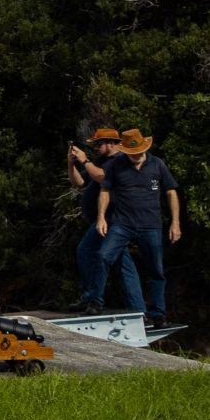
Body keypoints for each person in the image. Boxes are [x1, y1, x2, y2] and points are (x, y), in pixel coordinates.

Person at [95, 127, 181, 323]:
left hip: (151, 225)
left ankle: (158, 313)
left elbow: (171, 193)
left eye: (138, 152)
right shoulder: (117, 165)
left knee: (155, 270)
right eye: (131, 153)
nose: (135, 156)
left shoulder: (157, 165)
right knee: (103, 256)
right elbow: (105, 190)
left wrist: (175, 223)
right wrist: (101, 217)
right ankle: (95, 300)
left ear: (144, 147)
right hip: (122, 223)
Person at [67, 127, 121, 309]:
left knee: (87, 251)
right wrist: (72, 163)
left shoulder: (118, 161)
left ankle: (92, 298)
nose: (96, 147)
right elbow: (79, 183)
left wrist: (85, 160)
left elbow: (100, 177)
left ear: (111, 143)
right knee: (124, 265)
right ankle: (138, 306)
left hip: (112, 219)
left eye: (99, 144)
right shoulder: (101, 161)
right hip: (100, 220)